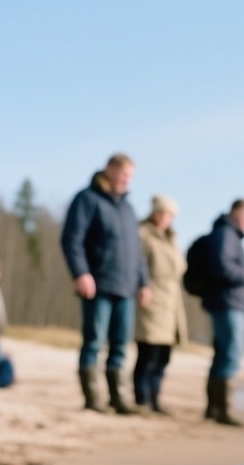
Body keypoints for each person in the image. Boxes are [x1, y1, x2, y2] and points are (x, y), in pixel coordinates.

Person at [61, 153, 151, 414]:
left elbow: (137, 252)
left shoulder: (128, 208)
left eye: (130, 177)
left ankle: (119, 398)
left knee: (121, 344)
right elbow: (72, 239)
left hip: (126, 287)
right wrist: (81, 273)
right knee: (94, 341)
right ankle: (92, 398)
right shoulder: (87, 199)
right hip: (98, 284)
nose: (127, 181)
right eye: (123, 175)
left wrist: (144, 283)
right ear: (109, 170)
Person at [201, 199, 244, 426]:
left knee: (223, 354)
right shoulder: (225, 235)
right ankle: (221, 409)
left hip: (228, 302)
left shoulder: (227, 234)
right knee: (231, 353)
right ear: (236, 214)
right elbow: (222, 267)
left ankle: (215, 408)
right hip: (227, 303)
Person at [133, 195, 188, 414]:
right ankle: (142, 398)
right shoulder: (143, 235)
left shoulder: (172, 239)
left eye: (171, 215)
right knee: (148, 352)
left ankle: (155, 398)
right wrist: (143, 286)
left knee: (164, 355)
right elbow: (138, 263)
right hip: (152, 297)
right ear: (155, 212)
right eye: (163, 213)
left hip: (172, 302)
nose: (167, 218)